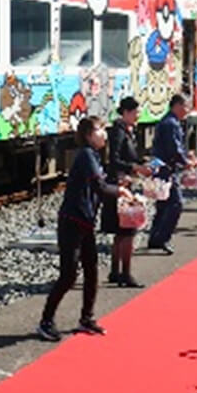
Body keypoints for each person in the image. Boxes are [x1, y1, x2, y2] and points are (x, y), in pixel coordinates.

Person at [38, 116, 132, 342]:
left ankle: (86, 318)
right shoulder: (86, 155)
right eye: (100, 130)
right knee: (69, 275)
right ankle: (45, 321)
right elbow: (98, 186)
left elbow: (101, 183)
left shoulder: (94, 155)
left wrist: (119, 184)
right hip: (72, 221)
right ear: (89, 134)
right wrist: (120, 191)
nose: (104, 134)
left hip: (85, 222)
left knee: (92, 271)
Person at [101, 97, 153, 287]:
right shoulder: (118, 132)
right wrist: (135, 167)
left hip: (122, 183)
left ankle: (116, 271)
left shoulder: (125, 131)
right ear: (126, 112)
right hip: (119, 186)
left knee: (121, 231)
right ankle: (125, 273)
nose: (138, 115)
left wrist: (138, 165)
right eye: (136, 112)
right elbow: (113, 160)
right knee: (127, 230)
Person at [146, 94, 195, 255]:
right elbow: (174, 149)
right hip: (165, 168)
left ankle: (155, 237)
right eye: (187, 106)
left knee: (163, 203)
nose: (188, 110)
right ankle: (162, 238)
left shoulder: (168, 121)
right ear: (178, 105)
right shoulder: (171, 124)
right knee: (175, 203)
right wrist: (185, 161)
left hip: (160, 167)